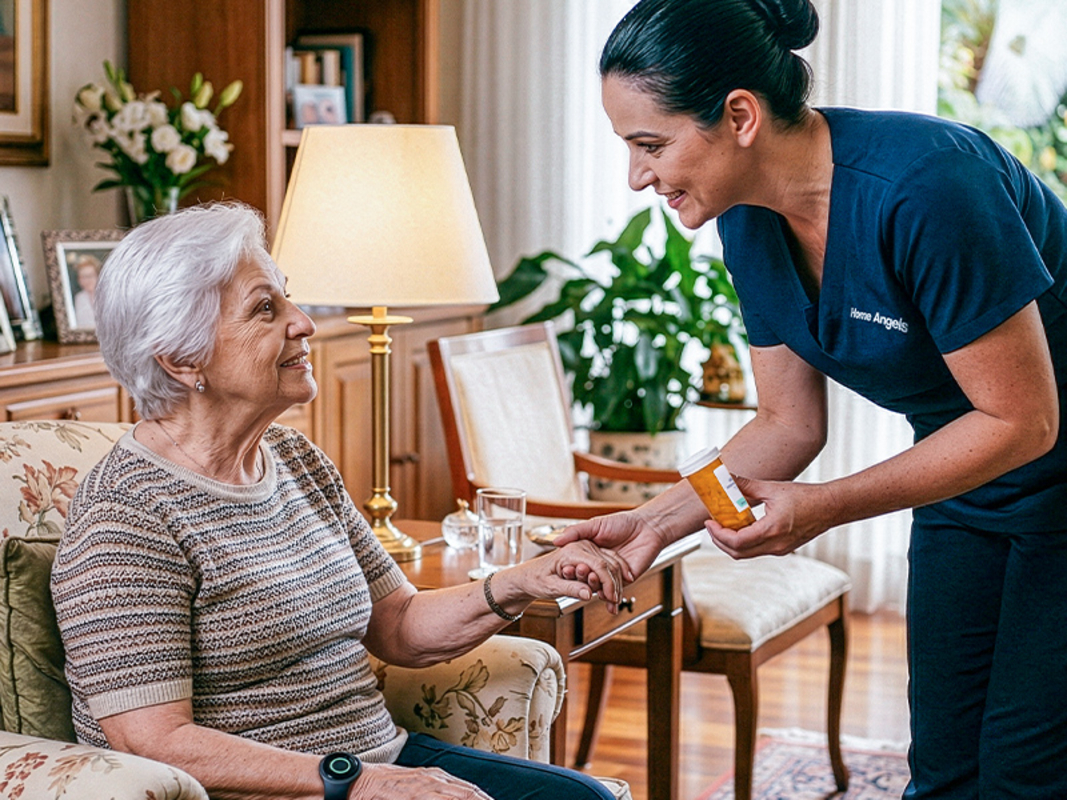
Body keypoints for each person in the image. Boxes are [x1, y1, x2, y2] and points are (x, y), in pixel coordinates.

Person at [556, 1, 1067, 797]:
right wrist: (652, 526)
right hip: (967, 483)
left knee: (1025, 771)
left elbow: (1023, 419)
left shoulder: (927, 184)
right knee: (940, 762)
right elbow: (785, 424)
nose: (636, 175)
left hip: (1043, 459)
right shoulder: (747, 220)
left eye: (649, 145)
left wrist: (823, 506)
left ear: (738, 116)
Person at [50, 202, 624, 800]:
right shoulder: (126, 517)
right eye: (265, 309)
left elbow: (397, 623)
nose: (304, 323)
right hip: (291, 788)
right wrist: (360, 782)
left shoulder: (296, 460)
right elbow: (154, 740)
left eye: (287, 299)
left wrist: (520, 582)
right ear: (182, 357)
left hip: (376, 759)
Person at [71, 253, 102, 329]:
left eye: (90, 276)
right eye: (83, 277)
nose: (86, 281)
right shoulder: (79, 298)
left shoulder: (109, 295)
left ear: (98, 276)